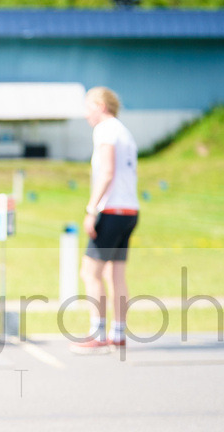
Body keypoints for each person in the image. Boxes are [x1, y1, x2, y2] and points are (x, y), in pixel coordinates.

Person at [72, 86, 139, 354]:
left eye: (88, 107)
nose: (86, 113)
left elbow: (107, 171)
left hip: (111, 211)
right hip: (130, 210)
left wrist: (92, 209)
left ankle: (97, 333)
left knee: (90, 272)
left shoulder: (105, 130)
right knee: (115, 274)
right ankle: (118, 333)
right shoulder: (124, 131)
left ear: (100, 105)